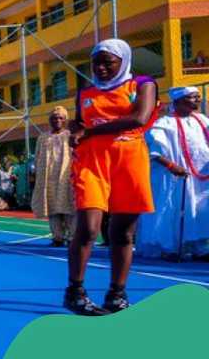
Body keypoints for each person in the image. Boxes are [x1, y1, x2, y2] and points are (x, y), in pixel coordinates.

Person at [65, 39, 158, 315]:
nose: (102, 67)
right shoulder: (85, 91)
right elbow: (81, 124)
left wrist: (90, 131)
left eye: (109, 62)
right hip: (92, 161)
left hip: (129, 160)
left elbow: (140, 119)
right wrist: (75, 129)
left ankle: (116, 294)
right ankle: (75, 292)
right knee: (89, 228)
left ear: (123, 61)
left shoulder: (142, 84)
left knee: (123, 233)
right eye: (97, 62)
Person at [139, 87, 209, 259]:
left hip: (201, 178)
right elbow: (154, 153)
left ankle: (198, 247)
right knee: (172, 209)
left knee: (199, 210)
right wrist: (171, 166)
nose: (198, 101)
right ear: (178, 101)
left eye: (198, 97)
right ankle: (168, 247)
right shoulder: (164, 124)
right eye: (193, 97)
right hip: (173, 177)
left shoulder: (203, 120)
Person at [33, 107, 75, 246]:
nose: (57, 120)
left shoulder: (70, 135)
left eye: (60, 118)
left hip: (67, 177)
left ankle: (72, 237)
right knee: (52, 209)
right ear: (50, 120)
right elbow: (37, 157)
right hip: (48, 179)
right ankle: (57, 237)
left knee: (69, 207)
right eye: (54, 118)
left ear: (65, 120)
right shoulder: (43, 137)